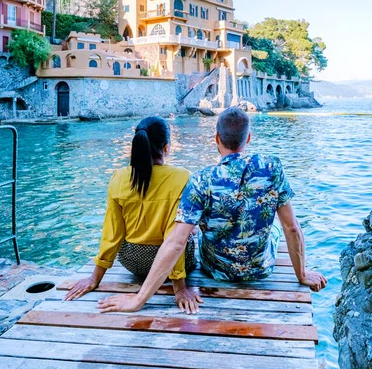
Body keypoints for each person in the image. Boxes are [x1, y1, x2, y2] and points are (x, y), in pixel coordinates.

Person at [96, 106, 327, 315]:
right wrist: (302, 274)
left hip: (215, 269)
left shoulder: (200, 180)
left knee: (195, 225)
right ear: (248, 137)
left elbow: (175, 242)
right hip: (259, 269)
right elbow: (292, 228)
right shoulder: (272, 168)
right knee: (276, 225)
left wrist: (139, 300)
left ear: (216, 138)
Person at [64, 115, 202, 313]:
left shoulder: (118, 177)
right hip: (167, 266)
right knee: (189, 230)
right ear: (166, 148)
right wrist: (179, 288)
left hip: (131, 261)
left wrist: (94, 278)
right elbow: (173, 241)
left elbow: (112, 233)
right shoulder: (183, 177)